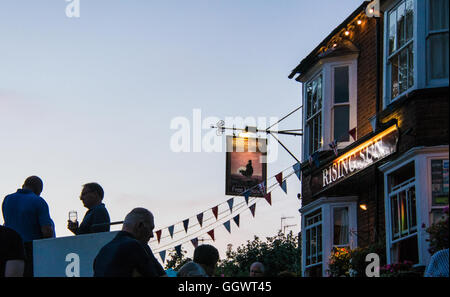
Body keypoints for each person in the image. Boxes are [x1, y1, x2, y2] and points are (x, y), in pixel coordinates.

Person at [2, 176, 54, 276]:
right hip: (31, 250)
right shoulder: (39, 201)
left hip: (8, 249)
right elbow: (47, 231)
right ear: (39, 190)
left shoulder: (7, 199)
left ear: (23, 185)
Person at [93, 207, 166, 277]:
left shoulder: (103, 251)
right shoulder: (135, 246)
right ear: (140, 225)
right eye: (150, 228)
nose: (152, 235)